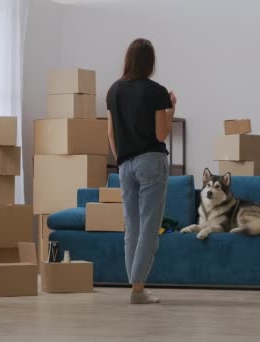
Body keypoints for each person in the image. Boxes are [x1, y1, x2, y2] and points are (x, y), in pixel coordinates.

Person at [106, 38, 176, 304]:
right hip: (151, 161)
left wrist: (122, 160)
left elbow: (111, 132)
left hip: (124, 164)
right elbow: (161, 133)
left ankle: (135, 285)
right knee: (149, 226)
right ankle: (138, 288)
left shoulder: (113, 91)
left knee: (132, 227)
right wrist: (172, 110)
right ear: (150, 62)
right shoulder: (157, 91)